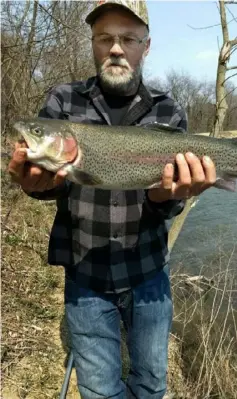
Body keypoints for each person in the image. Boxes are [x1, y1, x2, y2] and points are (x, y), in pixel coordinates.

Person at [8, 1, 217, 398]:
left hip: (148, 272)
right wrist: (40, 186)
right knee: (100, 391)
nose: (116, 48)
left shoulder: (168, 108)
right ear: (92, 44)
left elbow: (168, 202)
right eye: (105, 38)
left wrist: (165, 196)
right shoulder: (62, 101)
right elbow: (55, 183)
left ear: (146, 46)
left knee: (152, 384)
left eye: (127, 38)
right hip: (85, 273)